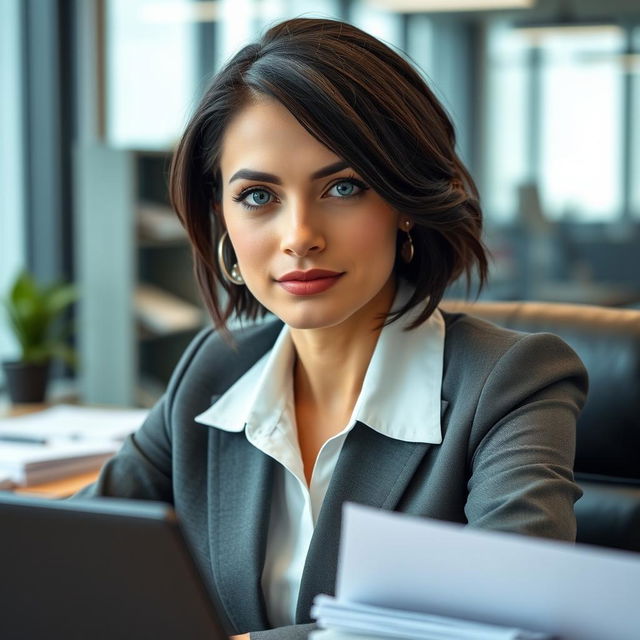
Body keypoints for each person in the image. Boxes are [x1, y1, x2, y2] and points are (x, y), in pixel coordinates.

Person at [77, 17, 588, 640]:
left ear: (404, 202)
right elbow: (66, 555)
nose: (299, 237)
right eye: (259, 196)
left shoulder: (510, 383)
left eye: (343, 187)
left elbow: (514, 615)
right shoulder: (216, 369)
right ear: (223, 220)